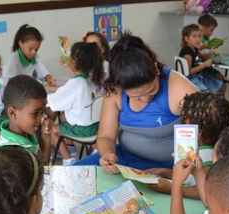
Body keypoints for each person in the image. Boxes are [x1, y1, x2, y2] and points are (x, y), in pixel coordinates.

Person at [74, 31, 197, 171]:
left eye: (151, 90)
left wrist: (173, 173)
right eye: (136, 97)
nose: (146, 98)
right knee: (73, 173)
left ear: (156, 68)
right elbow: (106, 136)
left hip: (170, 166)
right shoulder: (115, 91)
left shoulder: (179, 88)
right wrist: (109, 155)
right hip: (124, 158)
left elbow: (203, 138)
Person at [146, 91, 229, 199]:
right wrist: (166, 172)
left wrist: (173, 188)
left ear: (199, 130)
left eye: (184, 120)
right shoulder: (203, 150)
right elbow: (191, 175)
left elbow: (207, 191)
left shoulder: (205, 156)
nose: (182, 124)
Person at [46, 42, 104, 165]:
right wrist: (68, 67)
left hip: (84, 130)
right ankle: (92, 150)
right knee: (63, 117)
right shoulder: (90, 77)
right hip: (96, 126)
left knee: (52, 129)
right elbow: (76, 81)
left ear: (73, 60)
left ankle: (69, 160)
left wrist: (45, 90)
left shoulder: (75, 84)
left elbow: (56, 102)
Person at [0, 75, 53, 165]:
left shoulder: (27, 133)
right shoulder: (12, 156)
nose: (41, 119)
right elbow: (41, 169)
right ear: (13, 113)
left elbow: (41, 165)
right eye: (35, 113)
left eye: (42, 113)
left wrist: (46, 136)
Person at [178, 24, 224, 93]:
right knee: (207, 94)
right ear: (187, 38)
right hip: (190, 79)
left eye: (199, 36)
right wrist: (204, 65)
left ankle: (218, 103)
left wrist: (210, 52)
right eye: (194, 36)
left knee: (222, 86)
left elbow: (204, 56)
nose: (198, 39)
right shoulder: (187, 52)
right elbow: (189, 72)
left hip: (198, 76)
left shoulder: (195, 49)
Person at [197, 14, 228, 97]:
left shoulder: (207, 38)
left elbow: (208, 50)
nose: (212, 32)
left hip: (208, 67)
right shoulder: (198, 38)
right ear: (203, 28)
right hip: (201, 69)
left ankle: (218, 102)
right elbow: (195, 51)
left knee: (222, 78)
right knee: (219, 82)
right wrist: (203, 46)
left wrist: (217, 45)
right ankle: (213, 102)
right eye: (211, 30)